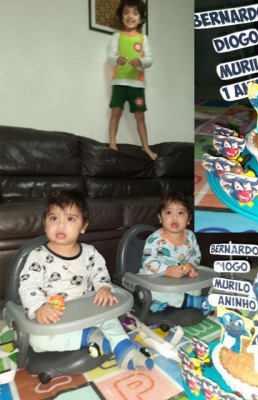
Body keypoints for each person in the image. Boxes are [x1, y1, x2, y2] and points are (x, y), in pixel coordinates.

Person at [18, 190, 153, 371]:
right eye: (54, 218)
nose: (61, 225)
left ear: (83, 226)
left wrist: (104, 288)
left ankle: (123, 348)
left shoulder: (90, 253)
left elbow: (100, 274)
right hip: (55, 314)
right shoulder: (38, 256)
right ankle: (90, 336)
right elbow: (28, 285)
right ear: (45, 224)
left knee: (109, 316)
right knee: (36, 340)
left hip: (87, 309)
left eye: (70, 219)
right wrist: (40, 307)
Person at [140, 191, 213, 314]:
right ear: (160, 218)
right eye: (168, 213)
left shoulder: (190, 236)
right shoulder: (154, 239)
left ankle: (166, 302)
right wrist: (166, 270)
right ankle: (189, 301)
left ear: (188, 219)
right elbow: (147, 260)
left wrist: (191, 265)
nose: (174, 217)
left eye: (181, 213)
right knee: (149, 290)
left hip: (180, 279)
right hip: (156, 277)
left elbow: (195, 255)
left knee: (196, 286)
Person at [106, 0, 157, 160]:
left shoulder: (143, 38)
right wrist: (117, 59)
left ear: (141, 19)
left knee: (140, 116)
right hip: (119, 83)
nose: (130, 16)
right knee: (116, 111)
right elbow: (110, 56)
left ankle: (145, 147)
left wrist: (140, 62)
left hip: (137, 84)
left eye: (135, 13)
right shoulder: (116, 37)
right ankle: (112, 143)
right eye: (126, 12)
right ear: (121, 17)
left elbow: (149, 59)